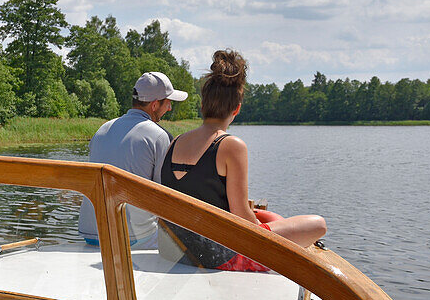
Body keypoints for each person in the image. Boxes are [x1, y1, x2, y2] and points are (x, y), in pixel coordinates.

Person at [159, 50, 326, 271]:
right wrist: (264, 230)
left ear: (203, 106)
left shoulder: (175, 142)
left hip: (174, 251)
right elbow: (242, 218)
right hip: (216, 256)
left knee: (273, 218)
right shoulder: (231, 145)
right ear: (236, 108)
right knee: (318, 224)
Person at [77, 71, 189, 249]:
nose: (169, 108)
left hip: (90, 233)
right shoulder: (159, 136)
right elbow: (166, 196)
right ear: (154, 105)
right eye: (168, 102)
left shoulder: (102, 129)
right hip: (130, 237)